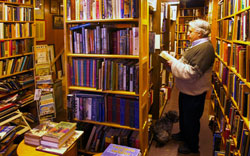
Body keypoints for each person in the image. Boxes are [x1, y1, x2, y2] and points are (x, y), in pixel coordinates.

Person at [166, 19, 215, 154]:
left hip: (195, 93)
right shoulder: (196, 45)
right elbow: (185, 63)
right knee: (185, 117)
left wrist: (174, 65)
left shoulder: (205, 48)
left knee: (191, 120)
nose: (188, 34)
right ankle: (184, 135)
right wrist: (173, 62)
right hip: (187, 90)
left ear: (199, 33)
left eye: (190, 31)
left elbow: (193, 73)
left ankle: (192, 146)